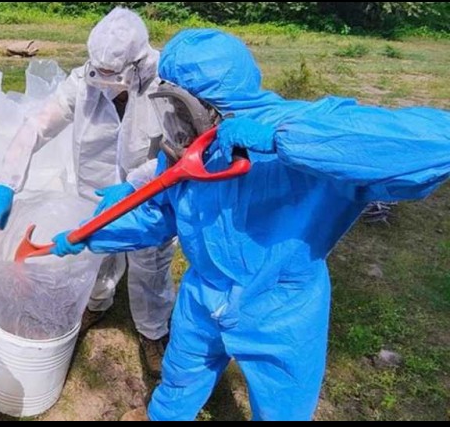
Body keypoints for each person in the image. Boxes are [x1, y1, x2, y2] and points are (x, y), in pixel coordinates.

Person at [49, 28, 450, 421]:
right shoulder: (191, 147)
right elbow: (163, 213)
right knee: (181, 375)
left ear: (213, 105)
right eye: (166, 104)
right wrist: (93, 234)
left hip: (281, 308)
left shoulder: (305, 128)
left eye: (179, 106)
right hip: (203, 293)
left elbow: (435, 143)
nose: (172, 120)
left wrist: (285, 141)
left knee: (282, 407)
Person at [0, 8, 175, 378]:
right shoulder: (83, 81)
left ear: (138, 63)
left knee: (150, 262)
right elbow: (37, 125)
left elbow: (179, 150)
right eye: (100, 71)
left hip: (149, 192)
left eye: (113, 74)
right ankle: (97, 301)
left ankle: (152, 331)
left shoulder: (166, 85)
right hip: (97, 189)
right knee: (96, 250)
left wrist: (136, 184)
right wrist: (6, 184)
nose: (104, 80)